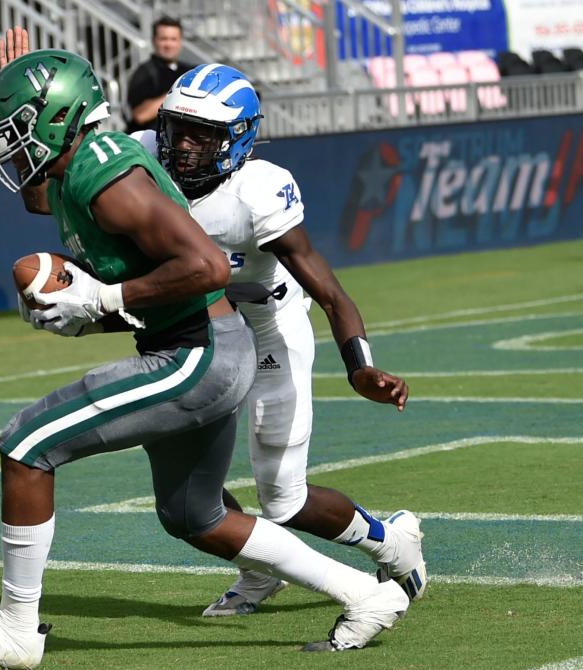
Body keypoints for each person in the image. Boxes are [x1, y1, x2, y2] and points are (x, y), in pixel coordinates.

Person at [0, 33, 409, 670]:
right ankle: (366, 594)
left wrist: (99, 300)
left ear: (58, 121)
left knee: (27, 445)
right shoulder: (77, 165)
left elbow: (205, 266)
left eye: (19, 130)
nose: (10, 145)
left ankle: (16, 629)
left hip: (201, 350)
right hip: (199, 342)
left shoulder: (110, 175)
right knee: (193, 515)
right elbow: (42, 196)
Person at [136, 63, 426, 617]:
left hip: (267, 332)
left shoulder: (257, 191)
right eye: (179, 129)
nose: (186, 146)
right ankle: (260, 569)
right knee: (185, 474)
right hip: (194, 334)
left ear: (239, 138)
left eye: (205, 134)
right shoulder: (141, 156)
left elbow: (332, 293)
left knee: (284, 500)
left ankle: (389, 540)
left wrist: (359, 365)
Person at [124, 16, 194, 134]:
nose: (168, 44)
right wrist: (178, 93)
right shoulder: (144, 72)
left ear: (180, 42)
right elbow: (140, 115)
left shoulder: (190, 72)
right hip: (150, 144)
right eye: (163, 39)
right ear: (154, 40)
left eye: (173, 39)